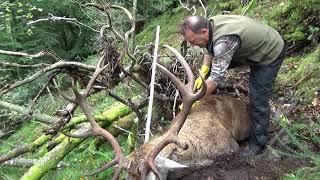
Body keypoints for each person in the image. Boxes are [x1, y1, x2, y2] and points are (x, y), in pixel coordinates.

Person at [180, 15, 286, 156]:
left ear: (204, 32)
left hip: (269, 52)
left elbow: (216, 76)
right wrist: (204, 70)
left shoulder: (224, 40)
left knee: (258, 98)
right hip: (250, 46)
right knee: (211, 71)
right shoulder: (209, 26)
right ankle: (213, 103)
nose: (194, 45)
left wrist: (196, 99)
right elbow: (208, 47)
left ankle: (257, 144)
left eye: (193, 41)